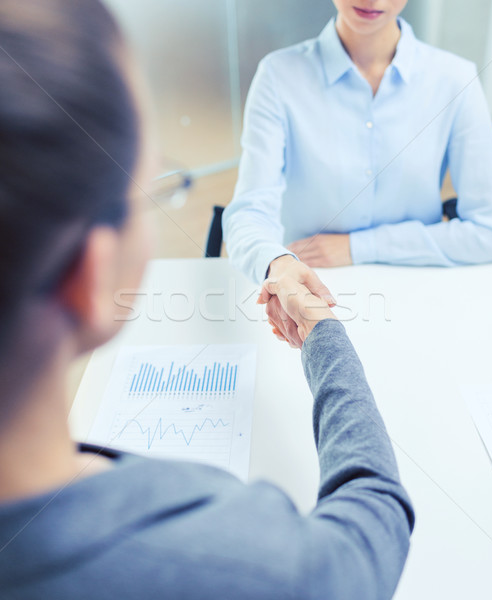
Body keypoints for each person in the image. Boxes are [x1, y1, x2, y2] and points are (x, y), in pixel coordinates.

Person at [0, 1, 414, 598]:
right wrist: (323, 332)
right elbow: (372, 522)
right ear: (89, 276)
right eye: (153, 184)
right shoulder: (239, 558)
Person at [223, 0, 492, 292]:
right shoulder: (278, 75)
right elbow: (249, 212)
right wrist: (277, 262)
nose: (372, 0)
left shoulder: (455, 79)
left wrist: (359, 247)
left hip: (421, 285)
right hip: (308, 285)